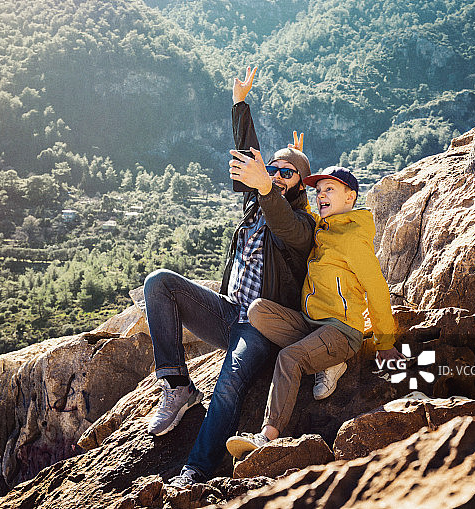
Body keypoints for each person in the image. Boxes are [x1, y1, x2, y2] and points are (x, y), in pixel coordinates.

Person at [142, 66, 316, 486]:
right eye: (271, 170)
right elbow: (251, 158)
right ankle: (178, 386)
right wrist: (240, 106)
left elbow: (283, 222)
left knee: (229, 382)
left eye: (285, 173)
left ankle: (196, 468)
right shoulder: (257, 204)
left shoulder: (302, 224)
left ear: (300, 184)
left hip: (261, 325)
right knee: (159, 282)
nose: (274, 175)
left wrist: (269, 186)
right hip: (228, 312)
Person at [225, 166, 405, 459]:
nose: (321, 195)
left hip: (342, 331)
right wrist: (296, 158)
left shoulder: (353, 238)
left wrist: (385, 343)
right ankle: (326, 361)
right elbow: (303, 211)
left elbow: (377, 289)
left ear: (351, 197)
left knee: (289, 358)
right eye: (318, 191)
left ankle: (267, 436)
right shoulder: (325, 228)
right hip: (313, 325)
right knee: (259, 311)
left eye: (329, 190)